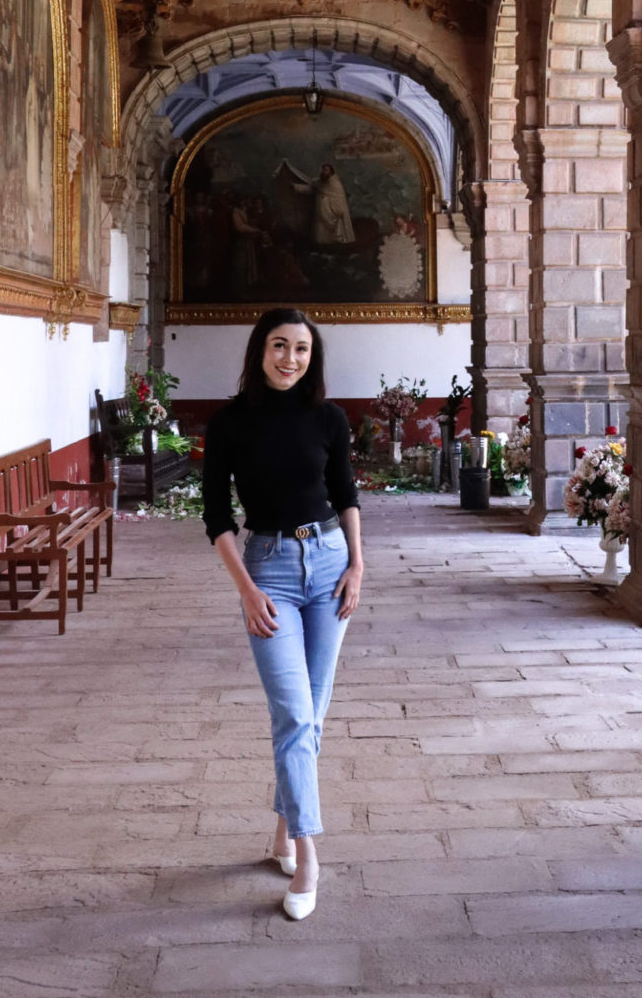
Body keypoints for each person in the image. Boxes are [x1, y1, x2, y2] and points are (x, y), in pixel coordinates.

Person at [202, 307, 363, 920]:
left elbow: (345, 495)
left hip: (329, 566)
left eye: (300, 349)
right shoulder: (229, 423)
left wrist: (357, 566)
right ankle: (307, 851)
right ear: (259, 351)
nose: (290, 358)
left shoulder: (328, 419)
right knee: (295, 712)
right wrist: (246, 589)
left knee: (310, 717)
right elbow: (217, 517)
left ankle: (280, 831)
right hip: (267, 568)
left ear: (311, 356)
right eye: (279, 346)